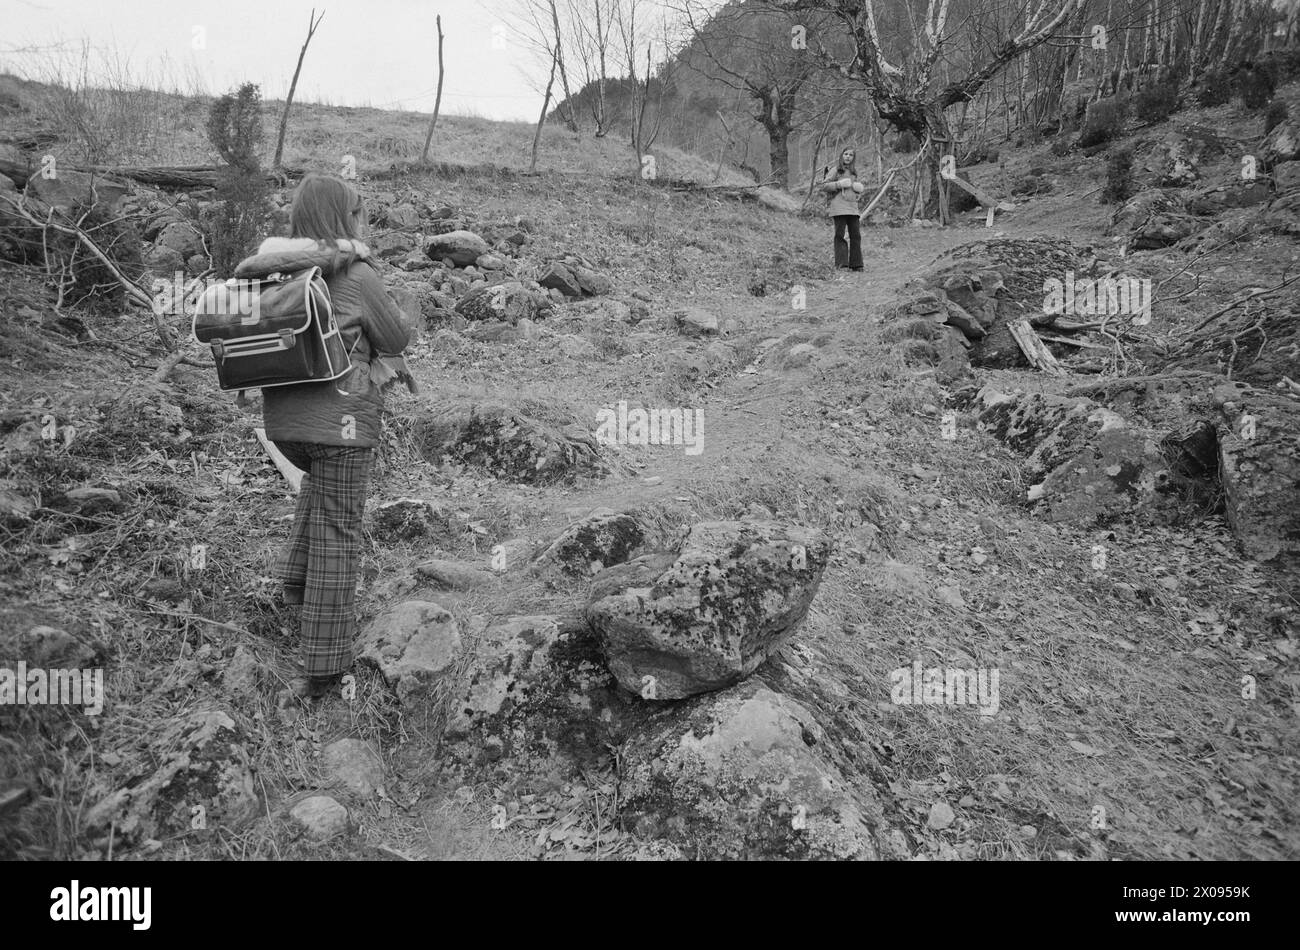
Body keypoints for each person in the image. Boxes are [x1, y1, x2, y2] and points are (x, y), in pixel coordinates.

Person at [233, 173, 414, 699]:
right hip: (343, 426)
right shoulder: (356, 273)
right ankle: (324, 670)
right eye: (356, 212)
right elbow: (396, 337)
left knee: (320, 487)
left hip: (284, 426)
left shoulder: (268, 273)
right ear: (343, 217)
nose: (362, 220)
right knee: (340, 533)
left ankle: (293, 583)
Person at [820, 147, 866, 271]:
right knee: (840, 235)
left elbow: (857, 192)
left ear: (853, 158)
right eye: (846, 154)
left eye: (851, 155)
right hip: (838, 207)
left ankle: (857, 265)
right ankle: (842, 264)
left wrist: (859, 189)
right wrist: (838, 184)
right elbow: (823, 186)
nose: (848, 157)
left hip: (853, 208)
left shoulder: (854, 172)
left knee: (856, 236)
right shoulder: (836, 170)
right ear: (841, 155)